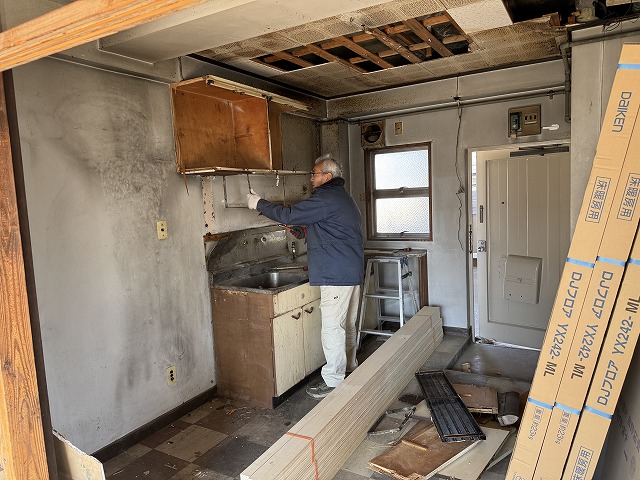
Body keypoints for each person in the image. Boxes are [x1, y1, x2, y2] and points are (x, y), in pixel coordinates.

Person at [246, 154, 364, 399]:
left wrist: (259, 204)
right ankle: (349, 367)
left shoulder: (326, 198)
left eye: (315, 173)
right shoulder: (342, 198)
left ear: (327, 176)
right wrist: (300, 229)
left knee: (332, 328)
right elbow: (325, 228)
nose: (311, 178)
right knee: (346, 325)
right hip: (350, 271)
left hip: (336, 274)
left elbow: (288, 214)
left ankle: (333, 381)